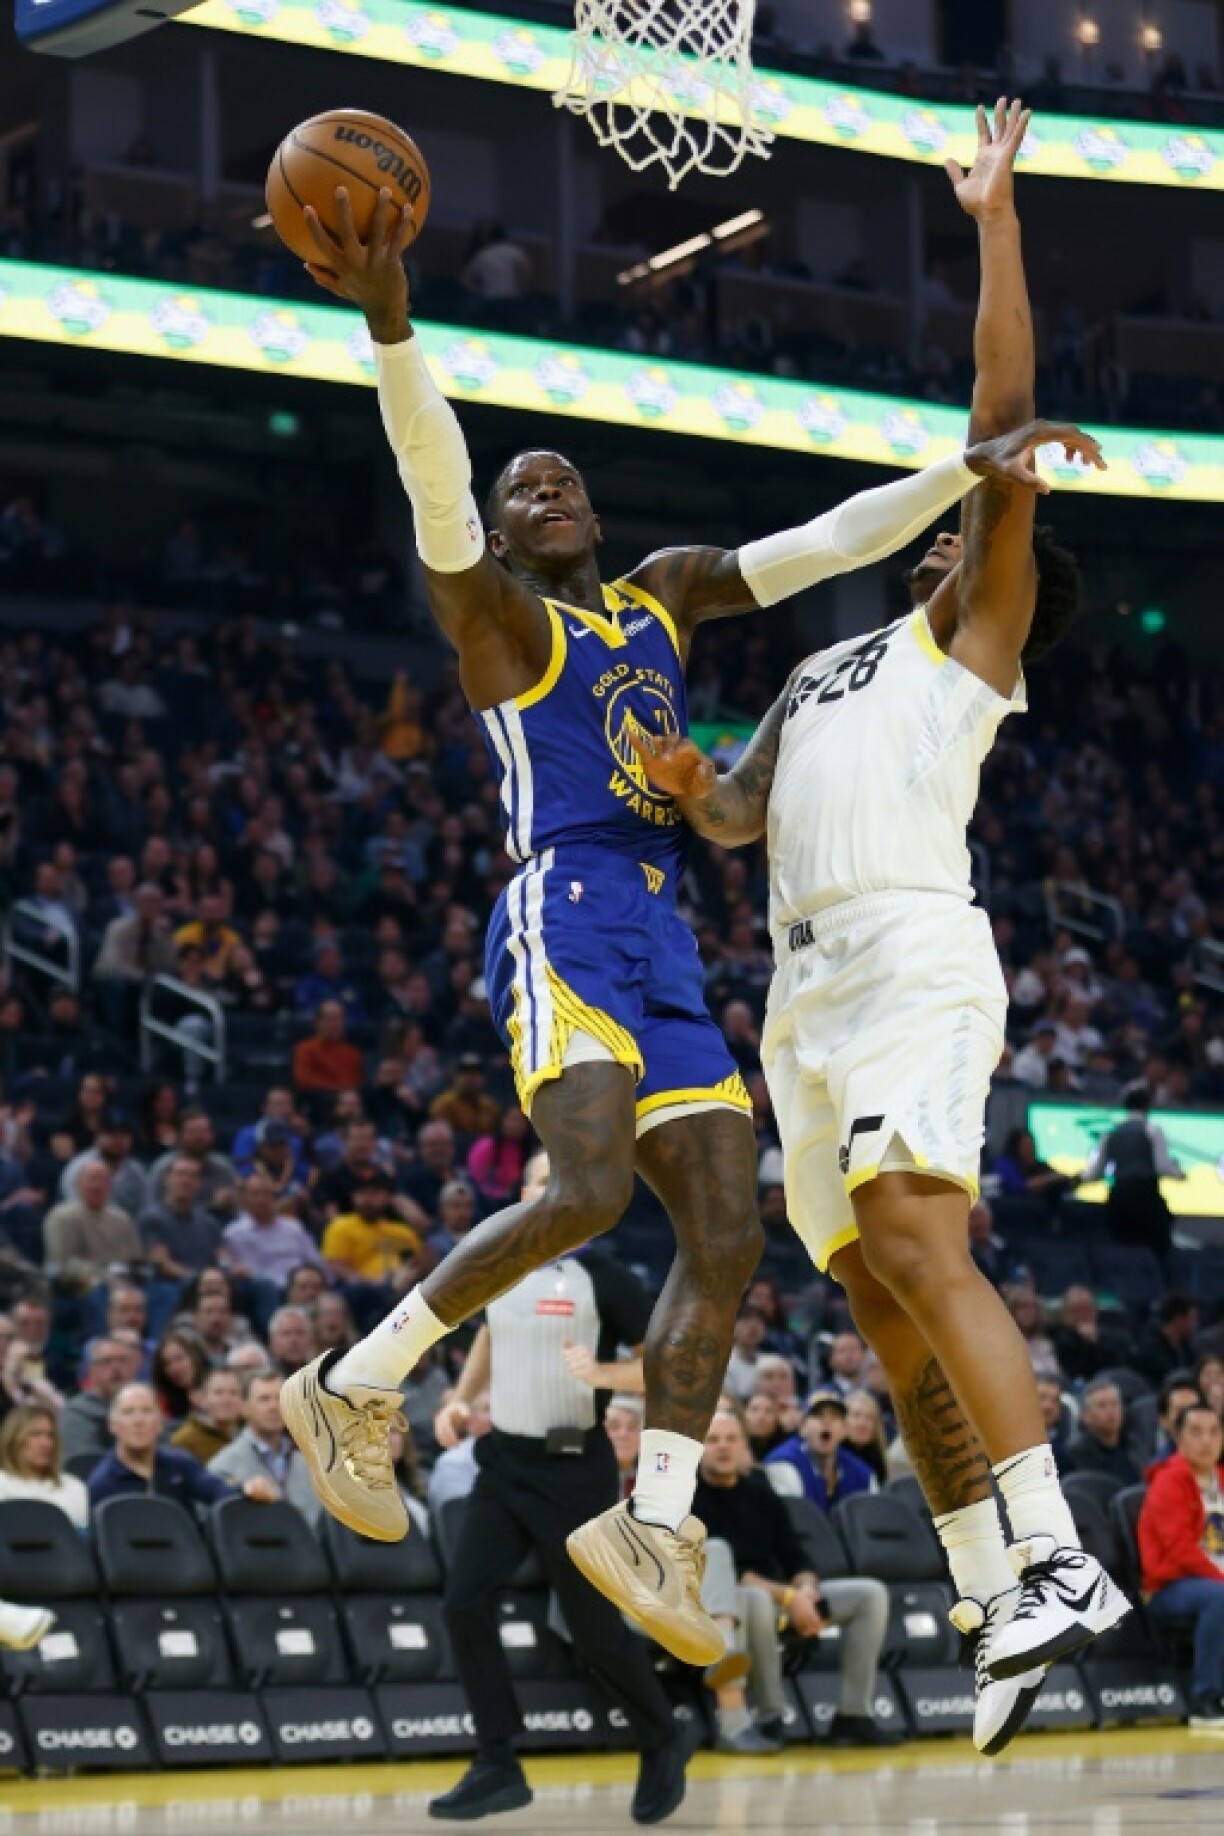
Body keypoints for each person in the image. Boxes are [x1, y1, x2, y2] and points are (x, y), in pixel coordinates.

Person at [282, 150, 1058, 1665]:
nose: (548, 487)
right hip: (564, 909)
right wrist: (392, 330)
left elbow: (825, 544)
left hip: (664, 932)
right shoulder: (500, 622)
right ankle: (356, 1378)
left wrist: (970, 470)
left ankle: (652, 1520)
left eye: (563, 475)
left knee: (726, 1225)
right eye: (523, 488)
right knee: (584, 1192)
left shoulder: (663, 593)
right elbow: (433, 474)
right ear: (501, 535)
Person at [631, 100, 1127, 1754]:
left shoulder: (970, 642)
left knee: (924, 1246)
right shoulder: (821, 669)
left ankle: (1058, 1554)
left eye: (974, 535)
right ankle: (994, 1595)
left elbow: (994, 423)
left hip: (911, 953)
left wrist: (993, 222)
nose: (951, 533)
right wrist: (680, 779)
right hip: (804, 997)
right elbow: (733, 815)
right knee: (876, 1304)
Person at [424, 1151, 697, 1824]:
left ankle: (662, 1736)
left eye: (565, 1182)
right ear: (524, 1194)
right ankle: (497, 1761)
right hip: (502, 1464)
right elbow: (491, 1336)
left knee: (593, 1629)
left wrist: (603, 1376)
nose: (554, 1192)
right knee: (463, 1603)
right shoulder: (499, 1263)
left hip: (574, 1471)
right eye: (543, 1181)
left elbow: (664, 1369)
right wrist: (460, 1399)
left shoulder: (607, 1279)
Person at [696, 1407, 895, 1750]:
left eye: (731, 1438)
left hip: (782, 1595)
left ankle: (853, 1714)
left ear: (744, 1446)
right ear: (698, 1449)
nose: (723, 1447)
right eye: (713, 1440)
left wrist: (806, 1589)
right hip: (725, 1602)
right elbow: (725, 1575)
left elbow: (794, 1553)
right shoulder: (690, 1498)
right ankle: (770, 1715)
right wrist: (789, 1598)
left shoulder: (760, 1491)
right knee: (755, 1599)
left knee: (870, 1594)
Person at [1139, 1401, 1224, 1730]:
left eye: (1214, 1432)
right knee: (1218, 1598)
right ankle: (1205, 1699)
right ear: (1178, 1439)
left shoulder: (1221, 1478)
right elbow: (1179, 1550)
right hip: (1170, 1586)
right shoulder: (1168, 1482)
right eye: (1196, 1432)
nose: (1206, 1440)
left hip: (1213, 1579)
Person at [88, 1381, 278, 1511]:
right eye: (128, 1412)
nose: (138, 1421)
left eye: (146, 1411)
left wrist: (247, 1489)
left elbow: (218, 1492)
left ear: (160, 1423)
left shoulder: (180, 1464)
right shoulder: (102, 1482)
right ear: (112, 1425)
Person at [1080, 1083, 1185, 1270]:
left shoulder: (1111, 1134)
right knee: (1159, 1246)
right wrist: (1179, 1174)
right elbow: (1162, 1166)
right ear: (1147, 1106)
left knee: (1124, 1249)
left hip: (1118, 1197)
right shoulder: (1152, 1130)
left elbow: (1095, 1173)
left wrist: (1078, 1179)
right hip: (1144, 1197)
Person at [208, 1369, 321, 1526]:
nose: (274, 1406)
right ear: (244, 1408)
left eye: (279, 1398)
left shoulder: (309, 1464)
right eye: (264, 1399)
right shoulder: (224, 1467)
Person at [764, 1387, 877, 1507]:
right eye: (818, 1415)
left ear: (845, 1430)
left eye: (834, 1416)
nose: (827, 1422)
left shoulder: (862, 1475)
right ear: (802, 1427)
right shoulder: (783, 1464)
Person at [0, 1404, 89, 1528]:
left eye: (50, 1435)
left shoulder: (73, 1486)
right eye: (35, 1434)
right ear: (14, 1438)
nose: (46, 1443)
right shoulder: (2, 1484)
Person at [1064, 1379, 1141, 1487]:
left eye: (1115, 1404)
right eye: (1102, 1406)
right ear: (1085, 1415)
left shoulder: (1134, 1444)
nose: (1110, 1411)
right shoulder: (1077, 1453)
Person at [170, 1365, 244, 1464]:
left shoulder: (252, 1434)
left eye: (233, 1393)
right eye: (218, 1393)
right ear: (204, 1399)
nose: (226, 1400)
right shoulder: (184, 1442)